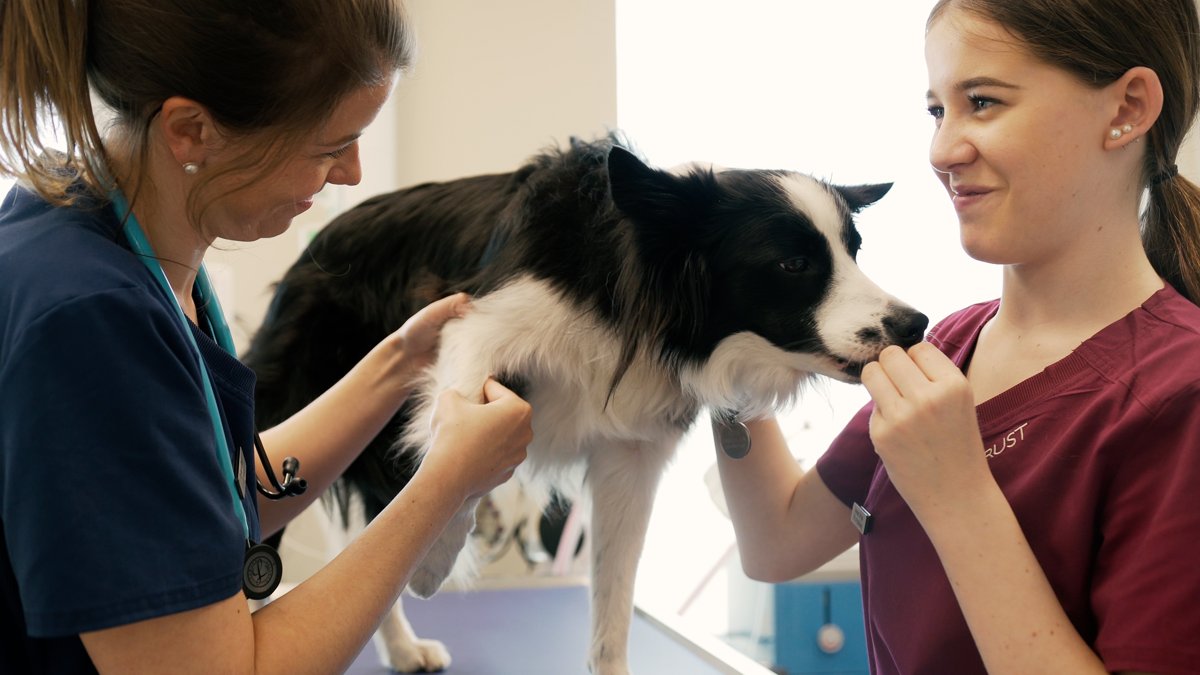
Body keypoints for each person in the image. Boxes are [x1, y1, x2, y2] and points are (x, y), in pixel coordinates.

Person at [0, 1, 532, 672]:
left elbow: (209, 490)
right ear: (192, 131)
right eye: (330, 148)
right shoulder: (89, 321)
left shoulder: (109, 232)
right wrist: (448, 479)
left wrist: (398, 362)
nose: (353, 174)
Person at [716, 0, 1200, 673]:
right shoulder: (951, 344)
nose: (943, 152)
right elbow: (776, 540)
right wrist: (720, 336)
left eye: (983, 102)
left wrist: (957, 494)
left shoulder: (1180, 395)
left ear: (1128, 107)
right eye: (937, 111)